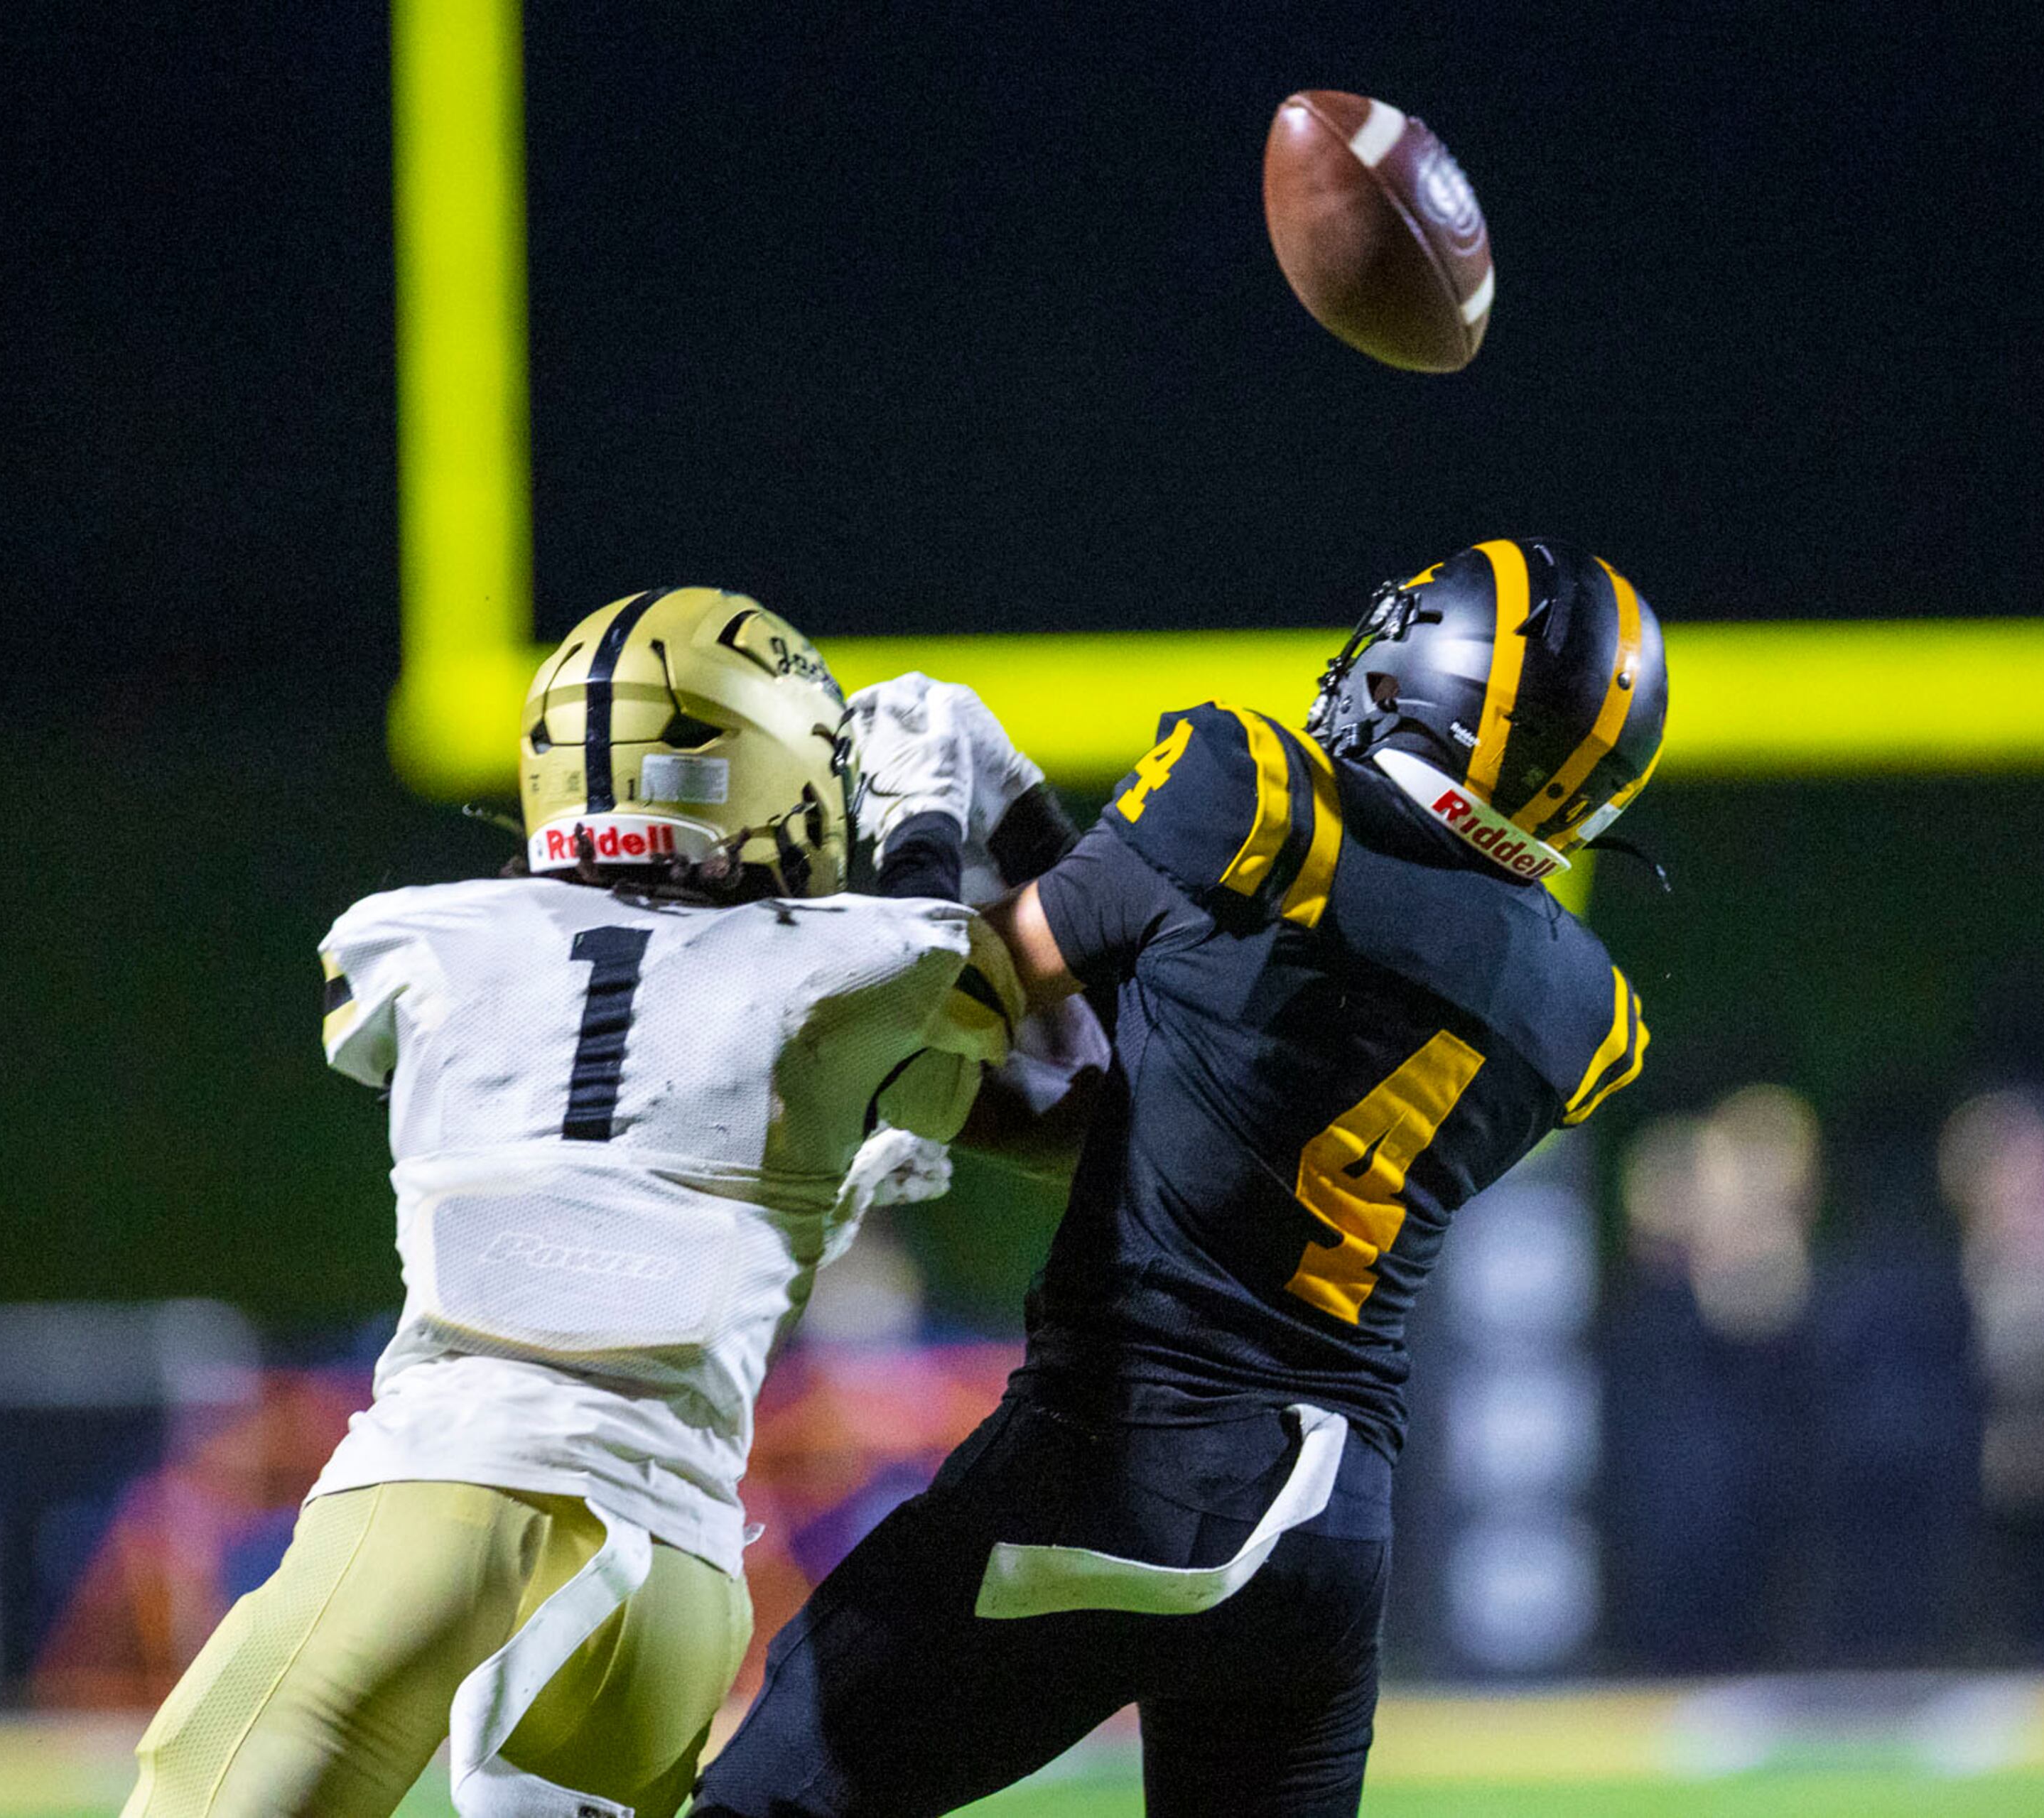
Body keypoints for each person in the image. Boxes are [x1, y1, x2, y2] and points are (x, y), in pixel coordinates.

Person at [700, 536, 1667, 1818]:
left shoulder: (1259, 797)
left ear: (1429, 673)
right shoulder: (1585, 1014)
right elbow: (1197, 1071)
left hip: (1117, 1465)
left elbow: (951, 1002)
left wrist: (927, 826)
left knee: (764, 1801)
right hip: (1327, 1535)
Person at [121, 587, 1020, 1818]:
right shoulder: (851, 963)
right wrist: (928, 819)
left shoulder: (419, 938)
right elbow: (953, 967)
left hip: (429, 1501)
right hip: (674, 1573)